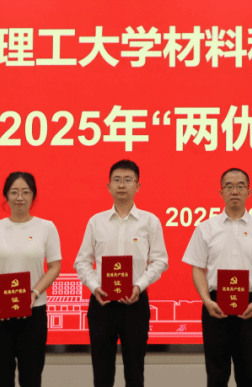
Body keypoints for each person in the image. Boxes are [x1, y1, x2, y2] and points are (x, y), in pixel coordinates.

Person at [182, 167, 252, 387]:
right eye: (229, 186)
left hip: (251, 306)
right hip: (215, 305)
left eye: (240, 186)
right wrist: (207, 300)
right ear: (221, 192)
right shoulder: (205, 228)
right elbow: (197, 268)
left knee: (249, 373)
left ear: (248, 192)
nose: (234, 191)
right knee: (216, 374)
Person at [74, 159, 169, 387]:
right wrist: (94, 286)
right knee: (102, 373)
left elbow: (160, 261)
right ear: (108, 186)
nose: (122, 185)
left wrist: (139, 285)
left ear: (138, 186)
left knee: (135, 372)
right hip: (102, 304)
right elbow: (82, 261)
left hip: (135, 303)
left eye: (128, 180)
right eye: (117, 180)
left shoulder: (150, 221)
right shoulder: (96, 221)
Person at [0, 172, 62, 387]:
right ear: (6, 195)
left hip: (34, 311)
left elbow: (54, 267)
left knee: (31, 377)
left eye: (25, 192)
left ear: (33, 196)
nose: (20, 197)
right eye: (14, 192)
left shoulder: (46, 227)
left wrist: (34, 293)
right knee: (0, 378)